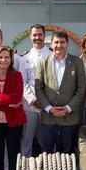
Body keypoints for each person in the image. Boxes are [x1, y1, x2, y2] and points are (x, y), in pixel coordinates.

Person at [35, 30, 86, 154]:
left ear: (67, 44)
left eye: (62, 42)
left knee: (67, 152)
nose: (59, 45)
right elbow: (38, 87)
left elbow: (81, 88)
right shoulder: (43, 62)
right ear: (51, 44)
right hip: (49, 117)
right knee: (46, 152)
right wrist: (48, 108)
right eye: (56, 42)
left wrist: (68, 108)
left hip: (70, 117)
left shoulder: (77, 62)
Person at [19, 24, 52, 157]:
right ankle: (25, 168)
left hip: (48, 106)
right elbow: (22, 82)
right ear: (30, 37)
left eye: (40, 34)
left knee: (48, 140)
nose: (37, 37)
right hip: (30, 106)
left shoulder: (52, 55)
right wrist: (33, 100)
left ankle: (50, 168)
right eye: (35, 35)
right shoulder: (24, 58)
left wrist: (44, 102)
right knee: (27, 139)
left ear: (44, 36)